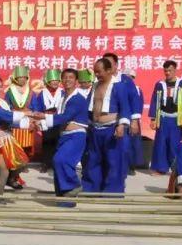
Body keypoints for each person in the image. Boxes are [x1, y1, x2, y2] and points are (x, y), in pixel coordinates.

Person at [84, 57, 130, 194]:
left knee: (113, 161)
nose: (97, 75)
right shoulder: (95, 85)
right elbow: (88, 106)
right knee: (93, 159)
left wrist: (121, 126)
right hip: (95, 128)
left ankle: (112, 191)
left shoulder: (119, 86)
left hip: (111, 129)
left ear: (109, 70)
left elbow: (125, 107)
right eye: (95, 72)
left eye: (99, 72)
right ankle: (91, 188)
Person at [40, 68, 89, 196]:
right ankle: (64, 199)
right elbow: (59, 118)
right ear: (61, 80)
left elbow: (65, 117)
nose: (67, 80)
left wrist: (42, 117)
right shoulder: (63, 97)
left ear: (76, 81)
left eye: (71, 77)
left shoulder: (77, 98)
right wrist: (40, 124)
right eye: (65, 77)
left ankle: (74, 185)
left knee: (59, 160)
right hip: (64, 135)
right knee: (59, 164)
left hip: (76, 136)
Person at [148, 60, 182, 174]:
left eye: (170, 70)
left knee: (176, 144)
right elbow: (154, 101)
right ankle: (161, 169)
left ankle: (177, 169)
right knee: (161, 144)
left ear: (175, 70)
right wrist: (153, 119)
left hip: (177, 119)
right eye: (165, 71)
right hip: (163, 118)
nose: (167, 73)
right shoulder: (160, 84)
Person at [103, 53, 143, 176]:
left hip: (124, 118)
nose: (107, 66)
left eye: (110, 63)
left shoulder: (126, 80)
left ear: (116, 65)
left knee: (125, 145)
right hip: (105, 120)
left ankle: (125, 169)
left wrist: (134, 121)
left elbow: (134, 100)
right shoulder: (101, 79)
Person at [31, 68, 64, 172]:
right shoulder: (42, 93)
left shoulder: (63, 92)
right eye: (52, 81)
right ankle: (45, 163)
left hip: (59, 119)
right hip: (45, 118)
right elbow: (37, 106)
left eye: (57, 81)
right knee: (46, 141)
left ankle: (56, 163)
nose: (55, 82)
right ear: (48, 81)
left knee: (58, 141)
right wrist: (38, 119)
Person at [5, 65, 38, 157]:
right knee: (14, 144)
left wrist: (34, 119)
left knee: (27, 144)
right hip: (15, 120)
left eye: (24, 77)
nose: (22, 79)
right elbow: (6, 107)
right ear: (15, 78)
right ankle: (15, 163)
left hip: (28, 120)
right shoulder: (9, 92)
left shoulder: (31, 92)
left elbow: (35, 108)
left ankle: (25, 162)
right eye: (20, 77)